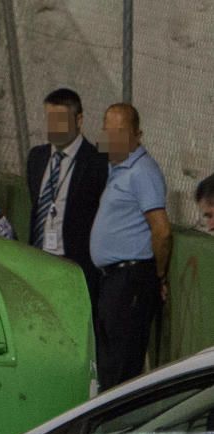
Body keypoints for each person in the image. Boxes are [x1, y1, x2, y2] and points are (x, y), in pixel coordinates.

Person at [90, 103, 171, 390]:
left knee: (121, 365)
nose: (113, 138)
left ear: (137, 135)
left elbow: (161, 230)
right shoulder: (118, 169)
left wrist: (158, 276)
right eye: (109, 131)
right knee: (109, 362)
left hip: (131, 279)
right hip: (114, 280)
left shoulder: (142, 171)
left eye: (120, 132)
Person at [27, 88, 107, 310]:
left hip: (75, 266)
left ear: (79, 120)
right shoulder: (37, 158)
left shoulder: (97, 163)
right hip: (39, 262)